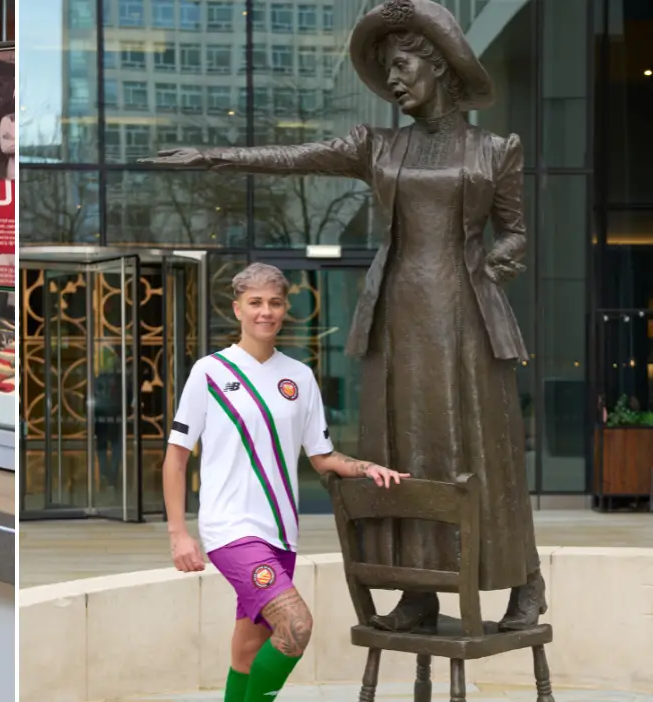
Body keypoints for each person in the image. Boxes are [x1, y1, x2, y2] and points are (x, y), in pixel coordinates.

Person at [143, 0, 545, 634]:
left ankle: (526, 587)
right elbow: (296, 156)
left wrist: (500, 261)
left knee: (483, 449)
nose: (392, 79)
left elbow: (517, 233)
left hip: (468, 318)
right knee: (405, 450)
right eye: (386, 68)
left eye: (403, 64)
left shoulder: (496, 150)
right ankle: (418, 593)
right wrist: (212, 157)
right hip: (399, 318)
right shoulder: (377, 146)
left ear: (439, 66)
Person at [164, 263, 409, 702]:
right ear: (237, 308)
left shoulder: (299, 377)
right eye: (255, 302)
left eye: (274, 302)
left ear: (285, 309)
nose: (266, 311)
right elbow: (176, 457)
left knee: (248, 649)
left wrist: (366, 467)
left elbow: (321, 456)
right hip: (231, 530)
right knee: (295, 625)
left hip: (280, 534)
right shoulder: (209, 372)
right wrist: (179, 532)